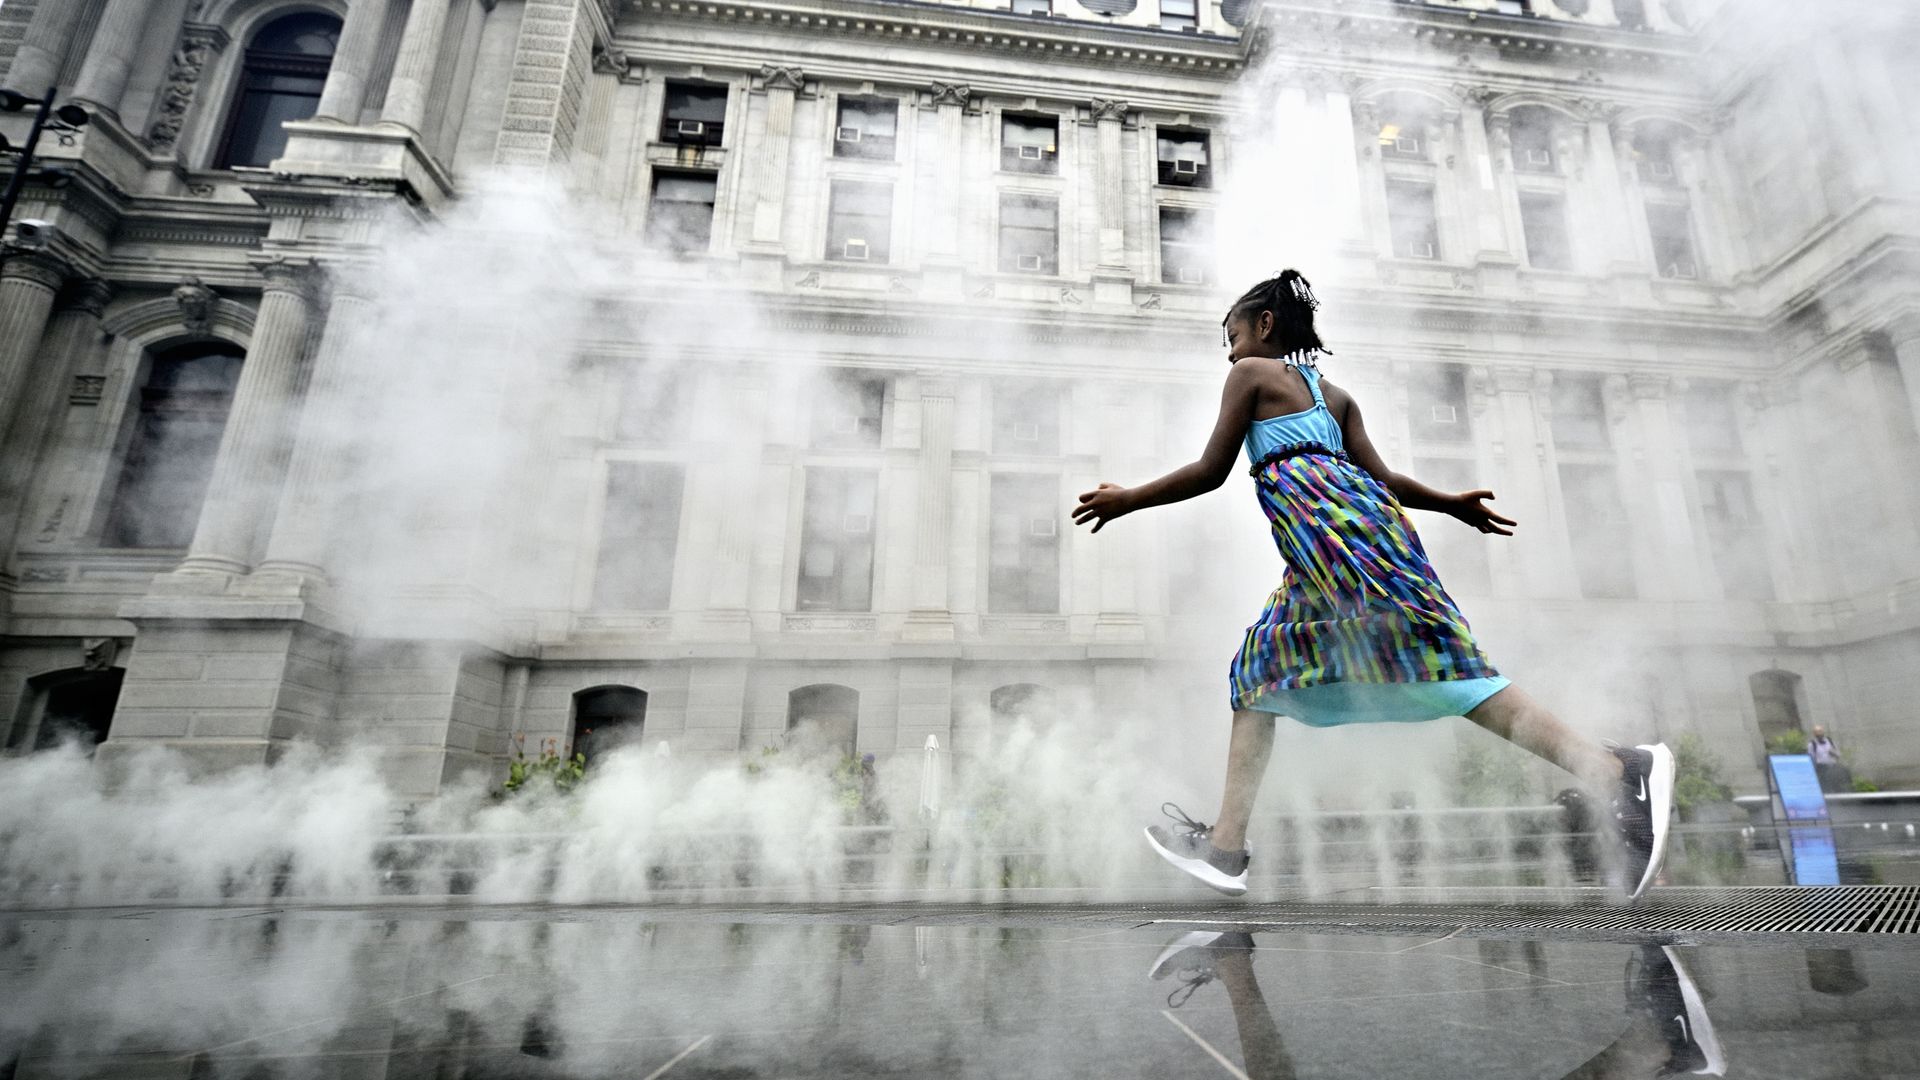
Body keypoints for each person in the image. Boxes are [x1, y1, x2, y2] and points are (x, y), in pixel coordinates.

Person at [1072, 270, 1675, 900]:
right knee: (1258, 676)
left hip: (1347, 552)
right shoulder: (1335, 397)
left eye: (1233, 336)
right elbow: (1384, 481)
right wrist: (1450, 504)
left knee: (1444, 669)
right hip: (1337, 554)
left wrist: (1128, 499)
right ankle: (1226, 849)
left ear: (1265, 327)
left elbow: (1210, 470)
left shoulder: (1249, 377)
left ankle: (1613, 770)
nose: (1228, 351)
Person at [1806, 725, 1852, 792]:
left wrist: (1834, 753)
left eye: (1820, 731)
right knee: (1826, 787)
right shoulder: (1812, 744)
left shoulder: (1830, 741)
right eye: (1817, 732)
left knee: (1838, 786)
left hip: (1833, 767)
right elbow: (1811, 758)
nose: (1819, 734)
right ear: (1814, 734)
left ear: (1823, 732)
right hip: (1822, 768)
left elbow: (1838, 754)